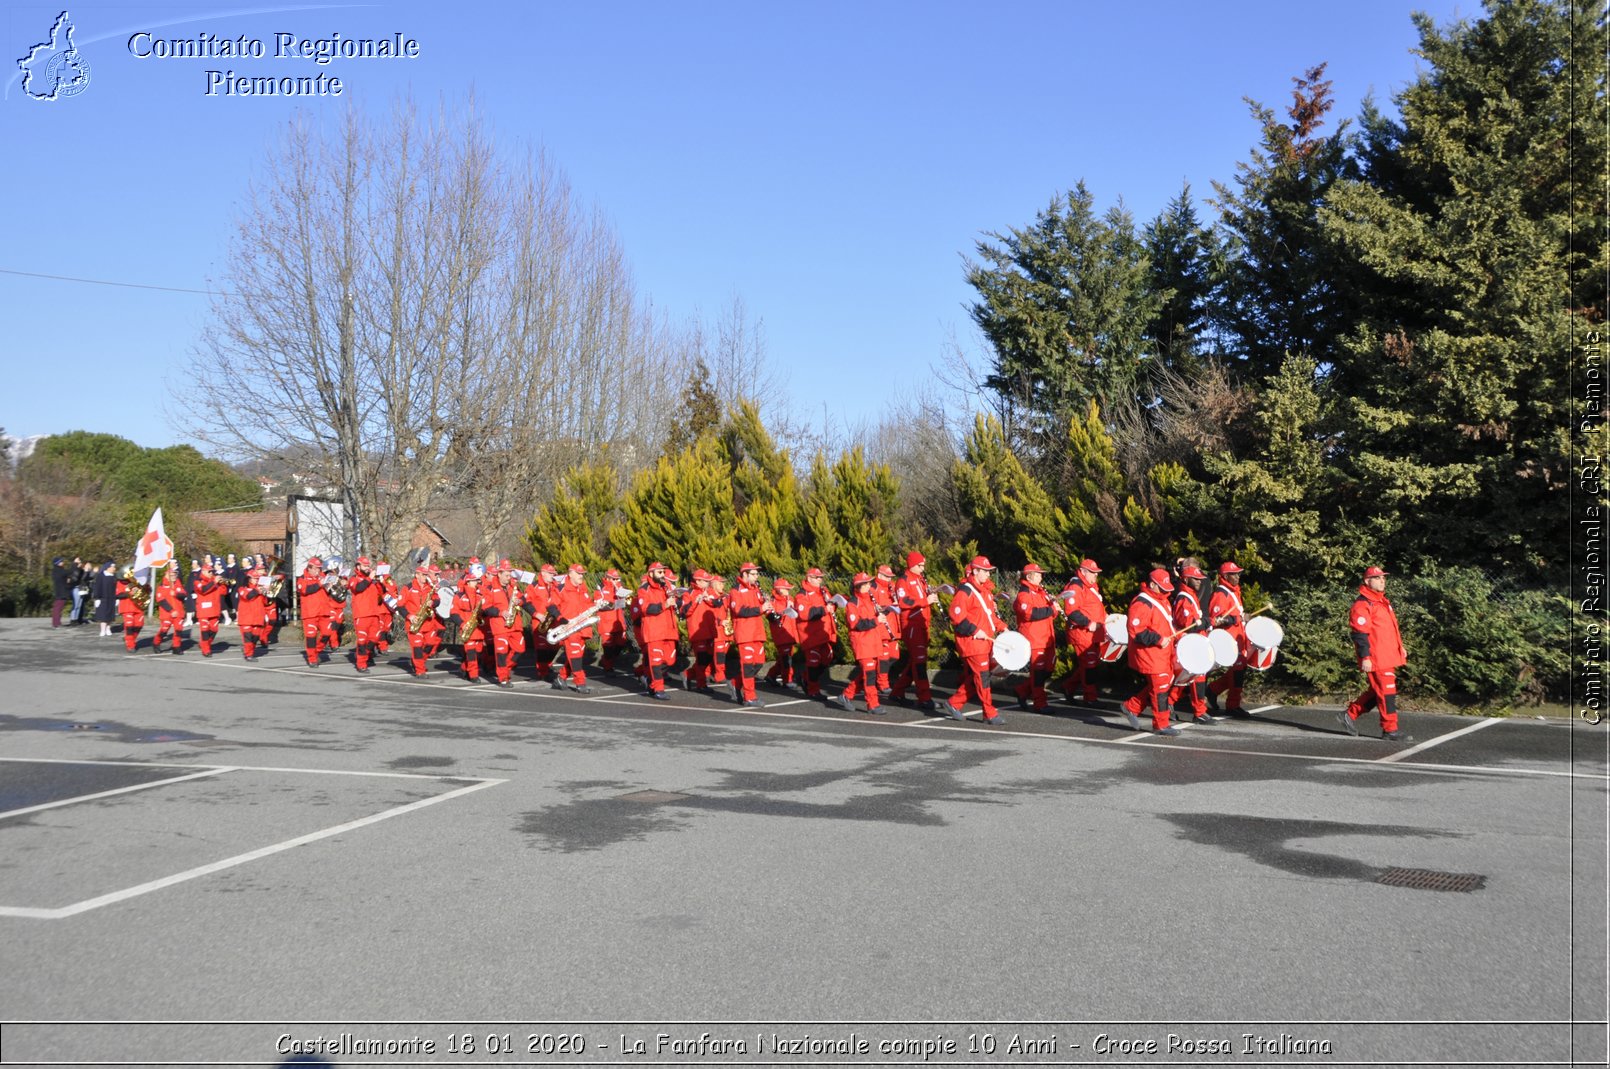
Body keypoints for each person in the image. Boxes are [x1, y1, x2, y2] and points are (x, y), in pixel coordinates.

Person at [1339, 566, 1407, 740]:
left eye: (1383, 578)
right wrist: (1365, 657)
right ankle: (1390, 730)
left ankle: (1349, 715)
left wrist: (1401, 648)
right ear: (1367, 581)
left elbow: (1391, 630)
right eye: (1377, 578)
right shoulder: (1362, 605)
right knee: (1387, 692)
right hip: (1376, 657)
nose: (1382, 580)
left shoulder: (1382, 602)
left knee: (1379, 691)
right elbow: (1360, 634)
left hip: (1388, 655)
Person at [1119, 567, 1181, 736]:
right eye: (1162, 588)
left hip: (1163, 652)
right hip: (1150, 653)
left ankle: (1130, 706)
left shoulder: (1164, 601)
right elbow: (1136, 630)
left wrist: (1178, 636)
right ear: (1153, 585)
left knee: (1163, 684)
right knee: (1160, 687)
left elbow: (1167, 625)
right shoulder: (1142, 602)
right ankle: (1161, 724)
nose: (1165, 591)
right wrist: (1159, 639)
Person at [945, 556, 1005, 723]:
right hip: (972, 643)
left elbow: (990, 617)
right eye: (985, 571)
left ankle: (954, 703)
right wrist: (974, 630)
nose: (988, 574)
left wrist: (1004, 627)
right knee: (983, 677)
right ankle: (989, 713)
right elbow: (956, 615)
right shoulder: (965, 590)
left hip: (985, 641)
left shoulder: (985, 592)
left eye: (989, 571)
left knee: (976, 677)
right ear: (976, 571)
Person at [890, 551, 939, 713]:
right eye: (920, 565)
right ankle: (924, 698)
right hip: (912, 626)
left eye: (923, 565)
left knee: (915, 662)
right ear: (912, 565)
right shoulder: (903, 581)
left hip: (922, 624)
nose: (922, 568)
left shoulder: (920, 579)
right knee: (919, 663)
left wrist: (931, 596)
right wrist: (925, 601)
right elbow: (904, 602)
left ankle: (897, 692)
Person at [1169, 561, 1217, 724]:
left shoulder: (1189, 595)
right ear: (1186, 578)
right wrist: (1204, 622)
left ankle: (1169, 703)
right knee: (1196, 677)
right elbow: (1187, 623)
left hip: (1194, 641)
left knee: (1188, 677)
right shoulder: (1185, 597)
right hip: (1188, 643)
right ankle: (1198, 712)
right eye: (1195, 579)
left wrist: (1205, 622)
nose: (1199, 581)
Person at [1057, 559, 1108, 705]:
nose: (1095, 576)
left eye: (1096, 573)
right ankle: (1090, 698)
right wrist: (1088, 623)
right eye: (1093, 573)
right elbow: (1071, 611)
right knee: (1090, 665)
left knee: (1090, 664)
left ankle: (1068, 687)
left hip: (1093, 632)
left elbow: (1092, 607)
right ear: (1084, 572)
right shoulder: (1076, 586)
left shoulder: (1090, 586)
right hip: (1083, 632)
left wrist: (1104, 617)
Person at [1011, 563, 1060, 712]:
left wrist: (1055, 607)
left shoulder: (1041, 592)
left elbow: (1051, 613)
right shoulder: (1023, 594)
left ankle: (1022, 690)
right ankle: (1040, 704)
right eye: (1038, 574)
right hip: (1035, 638)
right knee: (1038, 673)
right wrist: (1051, 609)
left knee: (1048, 670)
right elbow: (1030, 614)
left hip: (1047, 637)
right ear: (1029, 576)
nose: (1041, 577)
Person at [1206, 562, 1250, 717]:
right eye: (1234, 574)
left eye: (1238, 573)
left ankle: (1212, 690)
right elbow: (1217, 619)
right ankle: (1233, 705)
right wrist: (1239, 618)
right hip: (1229, 640)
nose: (1238, 576)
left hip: (1237, 638)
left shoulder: (1233, 591)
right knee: (1237, 672)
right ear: (1225, 576)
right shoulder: (1221, 594)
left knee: (1239, 670)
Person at [635, 561, 681, 700]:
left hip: (669, 630)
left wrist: (677, 601)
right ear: (651, 573)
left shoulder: (666, 586)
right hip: (654, 631)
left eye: (663, 572)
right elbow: (646, 609)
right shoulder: (644, 589)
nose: (663, 575)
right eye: (659, 572)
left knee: (669, 660)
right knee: (656, 662)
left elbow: (676, 604)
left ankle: (648, 679)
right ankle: (658, 688)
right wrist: (665, 604)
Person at [727, 563, 770, 708]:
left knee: (759, 663)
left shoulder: (756, 589)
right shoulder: (736, 591)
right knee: (748, 667)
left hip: (757, 632)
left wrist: (767, 607)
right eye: (753, 574)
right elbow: (740, 611)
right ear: (744, 574)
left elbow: (759, 609)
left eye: (756, 574)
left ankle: (736, 683)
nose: (756, 576)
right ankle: (749, 697)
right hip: (745, 634)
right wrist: (760, 608)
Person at [550, 563, 597, 692]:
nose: (581, 576)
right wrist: (560, 618)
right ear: (570, 573)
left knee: (575, 656)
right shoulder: (561, 588)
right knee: (575, 656)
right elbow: (551, 606)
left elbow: (588, 605)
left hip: (582, 628)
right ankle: (580, 683)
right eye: (578, 573)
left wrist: (597, 606)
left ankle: (561, 678)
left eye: (582, 574)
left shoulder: (583, 589)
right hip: (569, 629)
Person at [794, 567, 838, 700]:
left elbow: (831, 605)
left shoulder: (824, 591)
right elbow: (805, 613)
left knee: (828, 658)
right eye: (817, 577)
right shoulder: (802, 595)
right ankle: (813, 690)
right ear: (809, 578)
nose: (820, 579)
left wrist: (835, 604)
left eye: (821, 577)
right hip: (810, 635)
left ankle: (805, 678)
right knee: (813, 662)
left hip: (824, 633)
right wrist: (825, 609)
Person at [402, 565, 446, 677]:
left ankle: (419, 662)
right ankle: (420, 670)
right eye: (423, 575)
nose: (425, 577)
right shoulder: (408, 588)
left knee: (430, 644)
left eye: (426, 575)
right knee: (417, 647)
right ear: (417, 575)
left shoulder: (429, 587)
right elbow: (399, 606)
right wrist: (409, 616)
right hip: (414, 622)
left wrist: (433, 603)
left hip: (428, 622)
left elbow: (437, 599)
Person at [348, 557, 387, 673]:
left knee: (374, 638)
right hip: (361, 615)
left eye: (368, 566)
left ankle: (365, 655)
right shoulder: (354, 579)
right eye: (365, 566)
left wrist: (380, 582)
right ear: (358, 567)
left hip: (374, 614)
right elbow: (358, 588)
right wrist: (369, 579)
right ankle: (361, 664)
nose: (367, 568)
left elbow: (382, 594)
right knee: (362, 640)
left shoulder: (371, 581)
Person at [763, 577, 799, 690]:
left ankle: (771, 675)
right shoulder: (772, 602)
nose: (788, 590)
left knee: (784, 657)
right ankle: (787, 680)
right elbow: (770, 617)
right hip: (781, 633)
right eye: (786, 589)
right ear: (780, 589)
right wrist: (780, 613)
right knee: (786, 659)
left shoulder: (790, 599)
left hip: (790, 632)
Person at [595, 568, 631, 674]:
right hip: (606, 622)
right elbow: (598, 604)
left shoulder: (620, 588)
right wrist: (612, 605)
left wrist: (623, 597)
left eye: (617, 579)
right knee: (608, 647)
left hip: (619, 621)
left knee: (621, 643)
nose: (616, 581)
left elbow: (625, 602)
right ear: (608, 578)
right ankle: (608, 667)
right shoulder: (600, 588)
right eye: (614, 579)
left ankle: (606, 661)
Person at [234, 565, 271, 659]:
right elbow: (248, 596)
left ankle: (250, 652)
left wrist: (267, 593)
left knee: (254, 638)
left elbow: (266, 602)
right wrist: (258, 590)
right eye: (255, 579)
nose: (257, 580)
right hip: (246, 618)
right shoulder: (242, 589)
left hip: (258, 617)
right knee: (248, 637)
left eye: (258, 579)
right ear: (249, 579)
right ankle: (248, 654)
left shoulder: (260, 590)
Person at [192, 564, 226, 656]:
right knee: (205, 630)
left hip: (214, 610)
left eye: (212, 571)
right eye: (209, 571)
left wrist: (223, 584)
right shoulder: (198, 581)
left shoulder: (214, 581)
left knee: (214, 629)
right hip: (204, 610)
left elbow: (223, 592)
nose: (211, 573)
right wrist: (214, 582)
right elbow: (203, 590)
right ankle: (206, 650)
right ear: (203, 572)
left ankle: (204, 644)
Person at [152, 566, 186, 653]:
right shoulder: (162, 587)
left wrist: (176, 594)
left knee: (178, 630)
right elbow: (161, 601)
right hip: (167, 613)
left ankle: (176, 646)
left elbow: (183, 595)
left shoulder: (178, 585)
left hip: (179, 612)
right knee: (164, 630)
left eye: (175, 575)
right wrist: (171, 611)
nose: (174, 577)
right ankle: (156, 642)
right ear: (167, 575)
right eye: (172, 575)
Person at [115, 567, 146, 652]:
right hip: (127, 607)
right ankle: (130, 645)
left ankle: (129, 639)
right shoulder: (120, 582)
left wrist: (146, 588)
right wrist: (129, 593)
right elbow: (118, 595)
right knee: (129, 626)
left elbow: (147, 590)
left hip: (138, 606)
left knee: (139, 625)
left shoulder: (138, 581)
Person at [91, 561, 118, 636]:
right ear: (108, 567)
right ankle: (102, 630)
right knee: (103, 615)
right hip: (103, 598)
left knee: (110, 615)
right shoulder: (101, 576)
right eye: (112, 567)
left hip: (112, 598)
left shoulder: (114, 576)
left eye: (114, 567)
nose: (114, 568)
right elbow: (97, 587)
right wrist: (97, 598)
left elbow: (116, 588)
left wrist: (117, 598)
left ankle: (108, 628)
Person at [50, 557, 72, 628]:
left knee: (59, 608)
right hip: (60, 592)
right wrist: (75, 564)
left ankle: (57, 622)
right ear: (57, 563)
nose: (63, 562)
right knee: (57, 608)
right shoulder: (57, 570)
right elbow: (68, 572)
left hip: (61, 592)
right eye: (61, 561)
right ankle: (56, 623)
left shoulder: (58, 570)